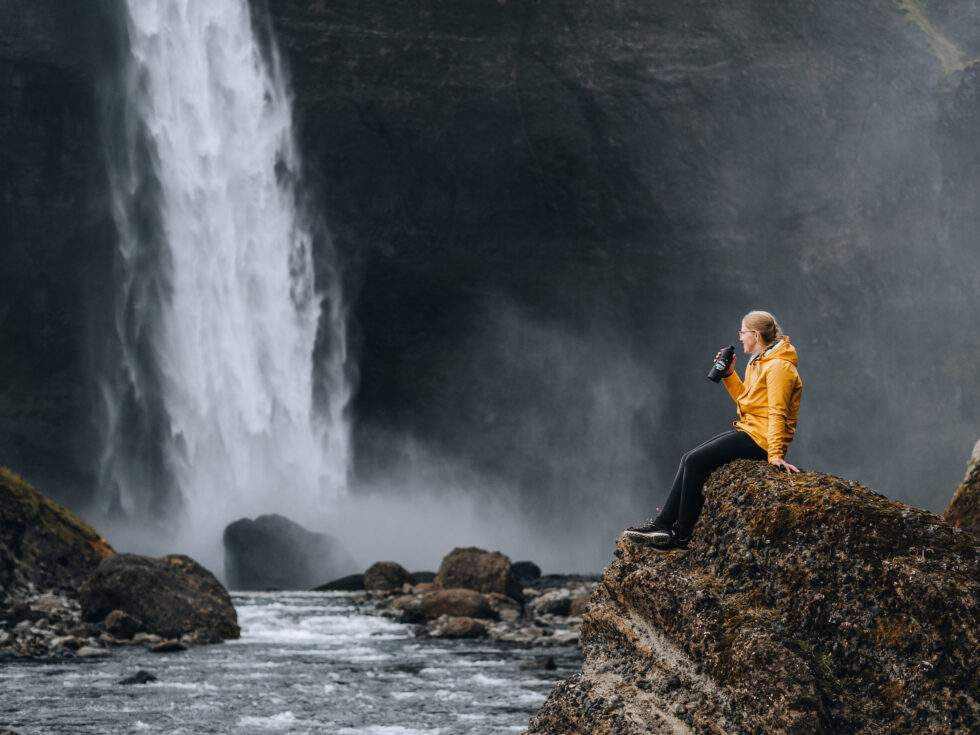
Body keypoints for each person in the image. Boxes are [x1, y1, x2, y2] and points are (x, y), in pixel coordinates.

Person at [624, 310, 803, 551]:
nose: (740, 338)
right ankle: (663, 524)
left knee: (697, 462)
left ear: (755, 334)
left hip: (761, 438)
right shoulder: (760, 362)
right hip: (750, 429)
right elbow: (746, 400)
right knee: (689, 459)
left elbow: (778, 412)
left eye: (742, 332)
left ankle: (680, 535)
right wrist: (729, 374)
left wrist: (776, 455)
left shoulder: (779, 367)